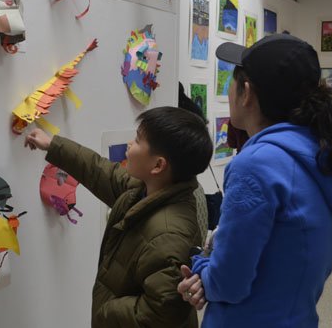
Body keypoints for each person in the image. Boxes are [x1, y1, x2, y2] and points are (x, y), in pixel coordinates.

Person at [178, 34, 332, 327]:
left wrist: (203, 268)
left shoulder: (256, 165)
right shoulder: (321, 153)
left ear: (246, 93)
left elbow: (229, 283)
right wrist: (209, 275)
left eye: (232, 80)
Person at [25, 107, 213, 327]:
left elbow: (161, 314)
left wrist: (107, 309)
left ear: (158, 165)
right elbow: (101, 171)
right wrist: (53, 145)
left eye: (138, 140)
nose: (130, 145)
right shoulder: (144, 190)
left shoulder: (169, 235)